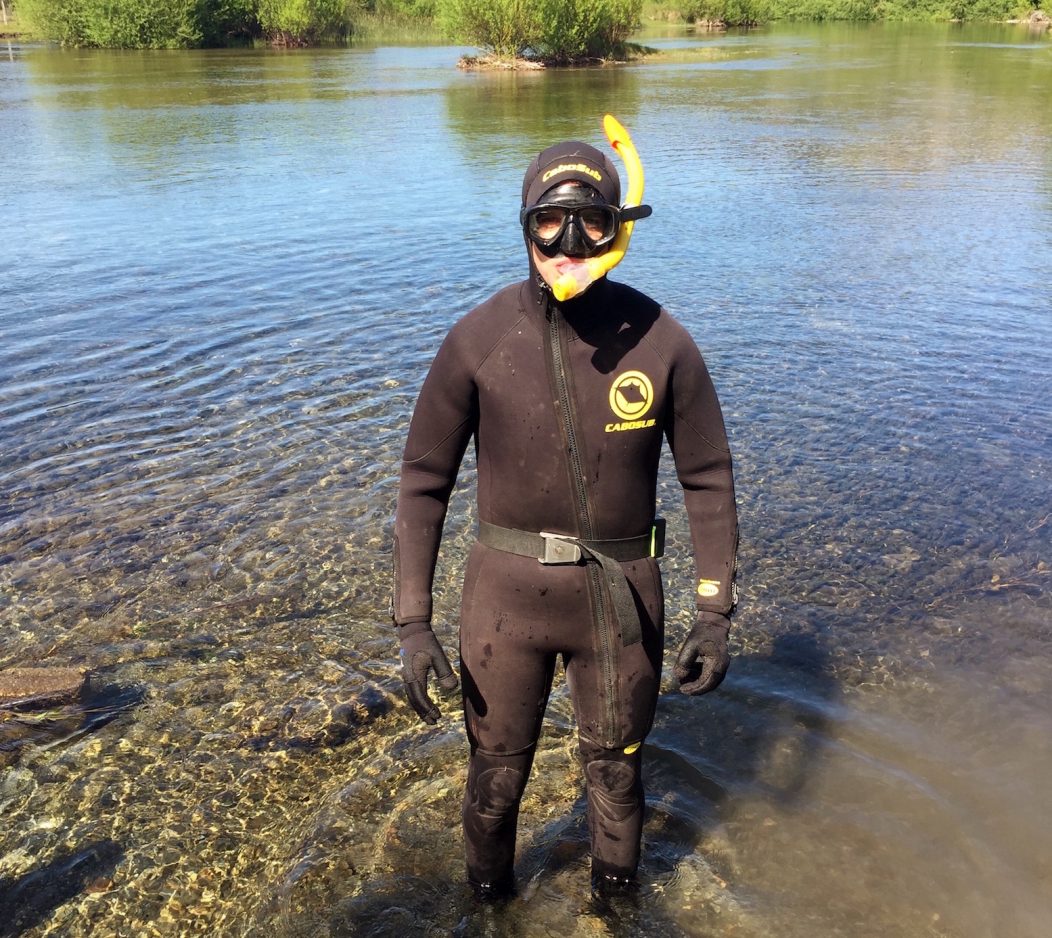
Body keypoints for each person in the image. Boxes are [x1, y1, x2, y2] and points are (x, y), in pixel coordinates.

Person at [391, 117, 739, 901]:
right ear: (524, 225)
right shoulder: (478, 340)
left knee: (615, 778)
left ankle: (613, 910)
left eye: (592, 220)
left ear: (617, 229)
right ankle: (490, 911)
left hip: (619, 601)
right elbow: (422, 483)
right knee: (493, 784)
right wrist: (412, 624)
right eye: (549, 220)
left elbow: (709, 478)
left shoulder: (662, 342)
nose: (569, 240)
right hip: (503, 602)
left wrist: (713, 614)